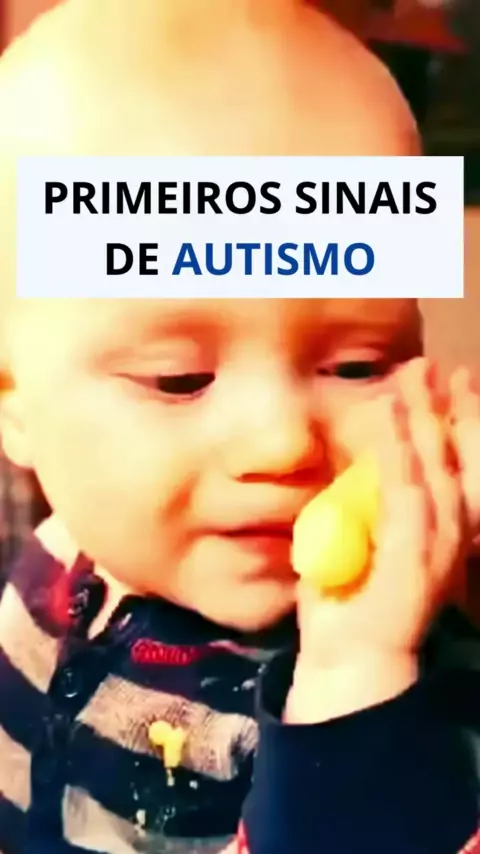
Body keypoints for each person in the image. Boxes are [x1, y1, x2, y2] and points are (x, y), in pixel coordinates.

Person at [0, 2, 479, 854]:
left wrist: (355, 676)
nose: (282, 443)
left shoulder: (411, 661)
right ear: (16, 404)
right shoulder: (55, 568)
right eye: (178, 379)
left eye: (358, 366)